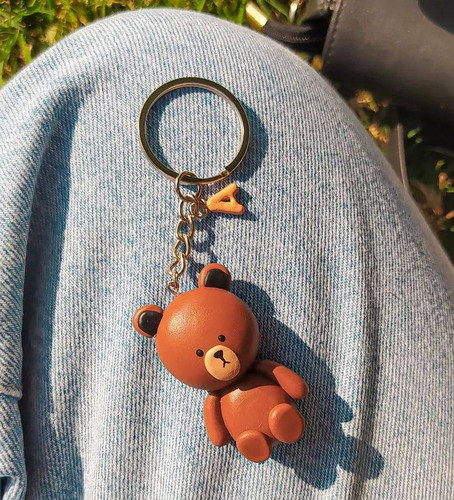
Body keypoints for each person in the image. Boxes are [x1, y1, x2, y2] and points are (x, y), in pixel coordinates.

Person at [0, 8, 452, 499]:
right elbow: (215, 424)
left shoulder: (248, 354)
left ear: (216, 282)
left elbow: (282, 377)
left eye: (213, 343)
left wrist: (289, 388)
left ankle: (276, 420)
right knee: (155, 50)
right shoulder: (211, 381)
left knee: (133, 49)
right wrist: (229, 423)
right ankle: (260, 432)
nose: (217, 354)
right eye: (205, 351)